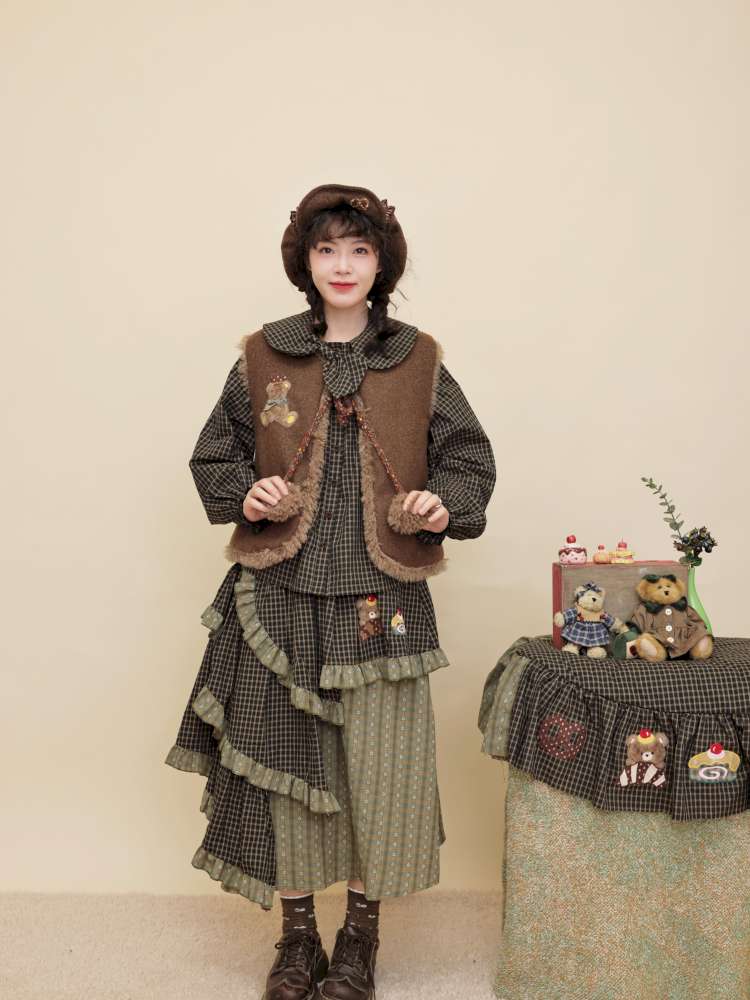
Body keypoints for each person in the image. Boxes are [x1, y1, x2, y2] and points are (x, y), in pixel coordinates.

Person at [164, 183, 496, 1000]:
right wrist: (248, 494)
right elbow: (216, 455)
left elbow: (468, 459)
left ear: (381, 264)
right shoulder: (262, 355)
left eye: (359, 250)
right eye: (326, 250)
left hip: (384, 594)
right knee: (284, 763)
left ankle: (359, 940)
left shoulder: (419, 359)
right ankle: (298, 940)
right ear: (305, 262)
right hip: (277, 591)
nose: (342, 265)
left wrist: (441, 504)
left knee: (382, 770)